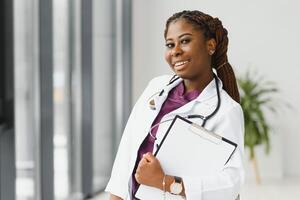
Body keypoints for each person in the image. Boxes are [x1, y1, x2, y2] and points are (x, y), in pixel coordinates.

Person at [106, 10, 244, 200]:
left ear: (210, 45)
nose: (175, 50)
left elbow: (231, 182)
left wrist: (164, 181)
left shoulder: (226, 111)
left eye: (185, 41)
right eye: (170, 44)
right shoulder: (156, 87)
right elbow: (127, 150)